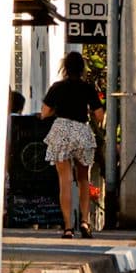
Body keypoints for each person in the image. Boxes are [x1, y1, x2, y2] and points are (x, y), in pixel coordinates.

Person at [41, 52, 105, 236]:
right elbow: (99, 116)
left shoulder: (57, 87)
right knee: (84, 179)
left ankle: (68, 227)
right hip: (81, 131)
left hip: (61, 130)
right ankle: (85, 222)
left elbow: (44, 112)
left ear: (65, 68)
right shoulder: (87, 88)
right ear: (82, 69)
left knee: (65, 181)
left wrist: (56, 110)